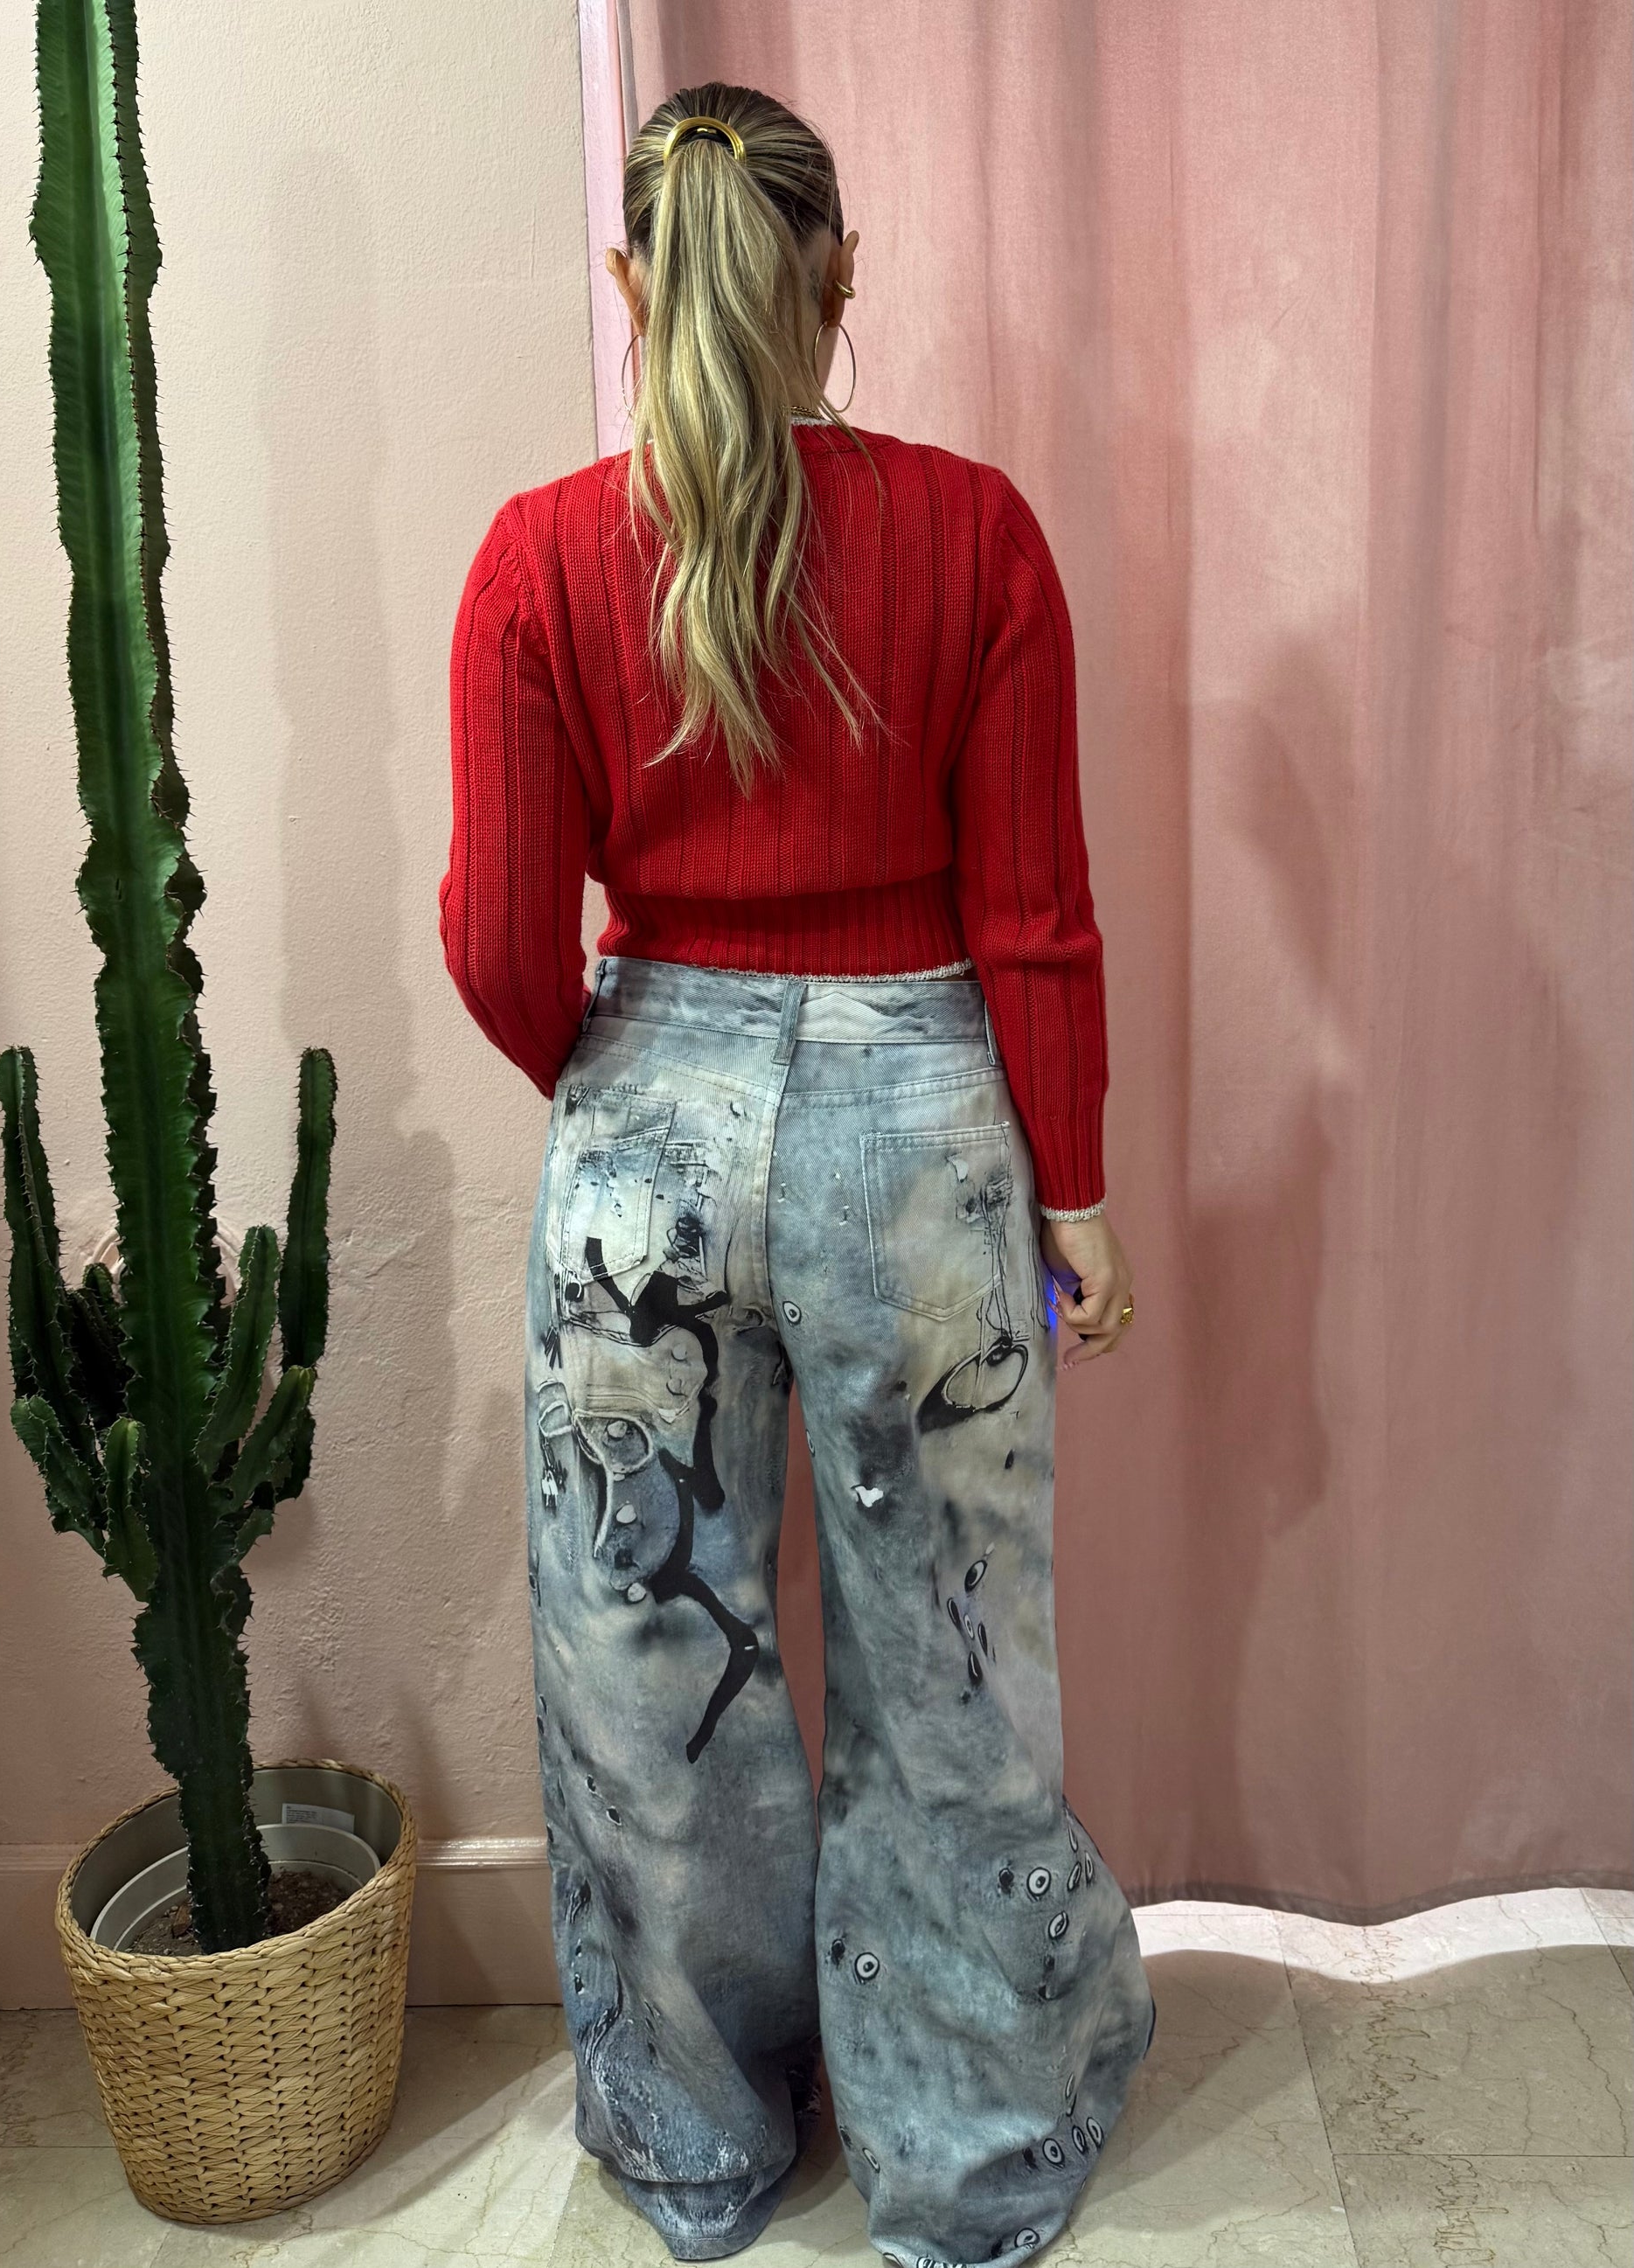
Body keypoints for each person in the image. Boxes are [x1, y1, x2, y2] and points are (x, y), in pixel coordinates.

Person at [440, 78, 1155, 2268]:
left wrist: (628, 1084)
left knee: (652, 1666)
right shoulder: (976, 535)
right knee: (948, 1666)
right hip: (922, 1137)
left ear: (631, 278)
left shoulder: (536, 560)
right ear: (841, 278)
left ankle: (699, 2147)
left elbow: (500, 941)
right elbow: (1031, 909)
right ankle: (965, 2163)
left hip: (639, 1143)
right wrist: (1073, 1186)